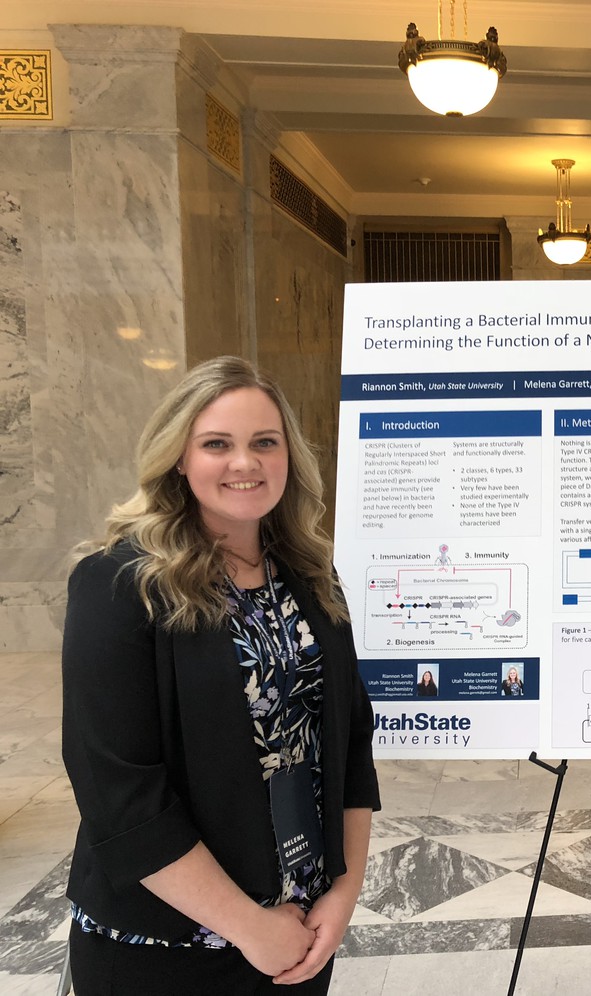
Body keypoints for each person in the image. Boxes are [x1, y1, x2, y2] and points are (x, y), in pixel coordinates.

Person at [61, 356, 381, 995]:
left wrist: (342, 894)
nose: (244, 462)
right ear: (178, 458)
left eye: (265, 442)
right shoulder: (120, 583)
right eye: (216, 444)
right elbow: (118, 789)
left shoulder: (311, 577)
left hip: (300, 932)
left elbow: (349, 743)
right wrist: (248, 926)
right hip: (166, 948)